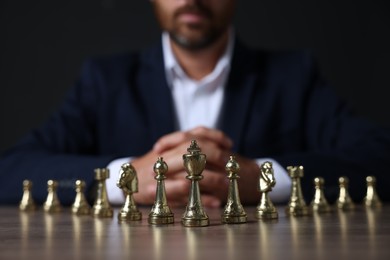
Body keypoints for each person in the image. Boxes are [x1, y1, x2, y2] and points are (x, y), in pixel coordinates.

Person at [1, 0, 389, 207]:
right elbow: (11, 169)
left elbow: (380, 156)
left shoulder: (293, 75)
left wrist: (267, 180)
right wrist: (124, 179)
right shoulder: (106, 80)